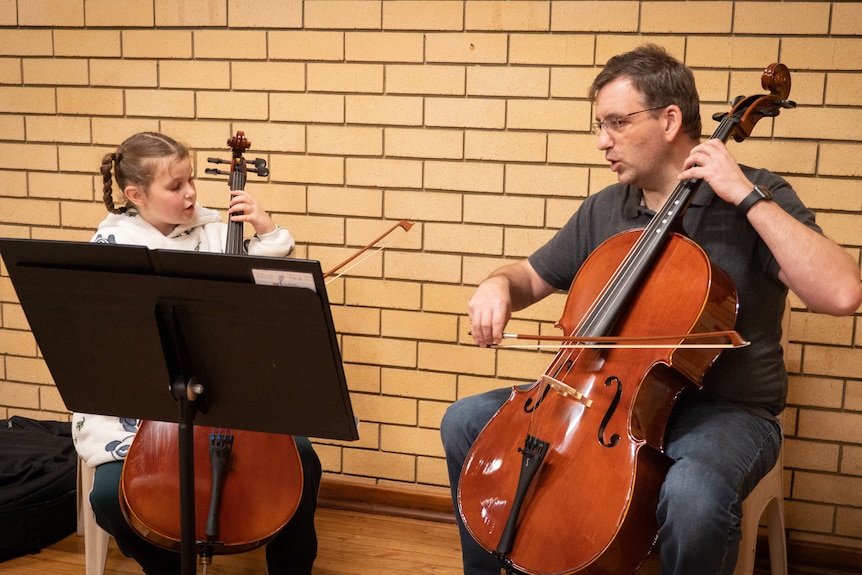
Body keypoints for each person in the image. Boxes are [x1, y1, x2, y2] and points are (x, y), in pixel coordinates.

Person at [441, 44, 862, 575]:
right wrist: (496, 286)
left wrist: (746, 196)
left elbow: (843, 294)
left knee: (695, 494)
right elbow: (528, 276)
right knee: (466, 422)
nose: (602, 142)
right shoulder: (606, 208)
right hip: (601, 400)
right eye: (600, 124)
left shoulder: (756, 196)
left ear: (669, 120)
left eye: (617, 122)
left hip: (724, 413)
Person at [72, 132, 321, 575]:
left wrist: (266, 230)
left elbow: (268, 285)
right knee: (110, 497)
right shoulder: (112, 248)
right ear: (136, 195)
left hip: (225, 398)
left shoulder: (215, 229)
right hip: (142, 409)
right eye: (175, 186)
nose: (190, 193)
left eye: (191, 181)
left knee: (302, 460)